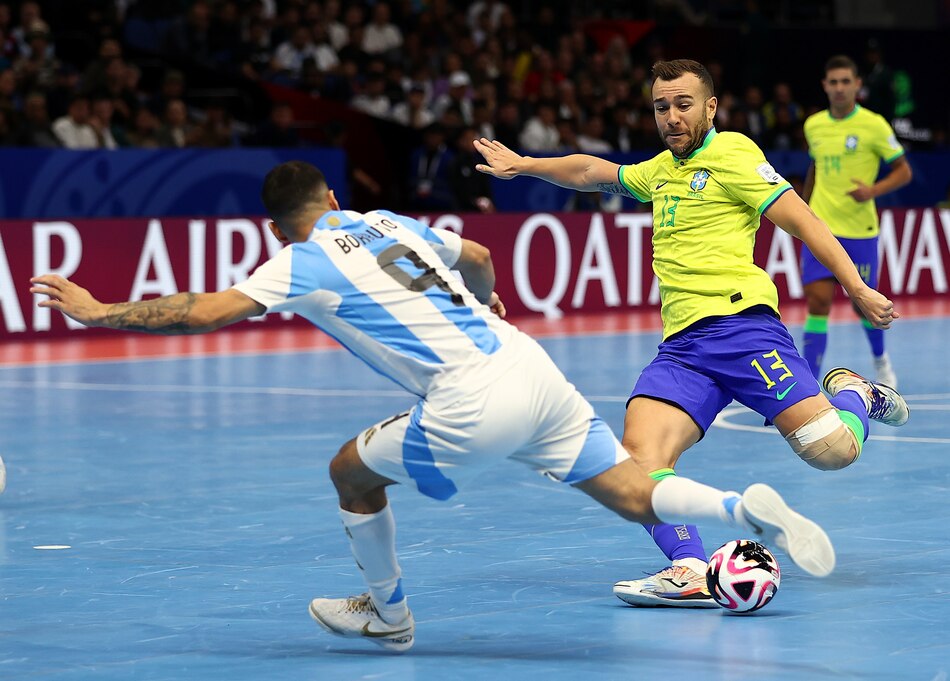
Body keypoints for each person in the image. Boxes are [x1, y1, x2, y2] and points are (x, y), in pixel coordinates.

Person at [32, 160, 835, 652]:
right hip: (527, 362)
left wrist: (99, 311)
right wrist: (490, 311)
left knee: (349, 472)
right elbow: (481, 255)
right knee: (629, 488)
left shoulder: (298, 261)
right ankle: (741, 508)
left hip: (469, 399)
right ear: (336, 195)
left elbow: (206, 311)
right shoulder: (384, 220)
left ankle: (389, 615)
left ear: (274, 225)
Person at [474, 59, 910, 609]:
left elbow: (802, 220)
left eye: (684, 104)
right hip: (682, 349)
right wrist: (524, 164)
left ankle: (853, 394)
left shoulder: (733, 152)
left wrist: (856, 288)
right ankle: (688, 567)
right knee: (637, 460)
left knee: (831, 451)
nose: (673, 117)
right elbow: (591, 172)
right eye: (662, 107)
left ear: (710, 107)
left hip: (744, 329)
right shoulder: (659, 170)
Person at [801, 55, 912, 388]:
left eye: (845, 81)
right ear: (825, 86)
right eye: (833, 82)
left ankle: (881, 362)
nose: (839, 88)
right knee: (818, 302)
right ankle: (807, 385)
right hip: (820, 227)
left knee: (864, 305)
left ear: (857, 85)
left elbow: (903, 171)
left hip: (860, 231)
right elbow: (815, 167)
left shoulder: (874, 124)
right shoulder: (813, 125)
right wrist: (803, 208)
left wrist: (873, 190)